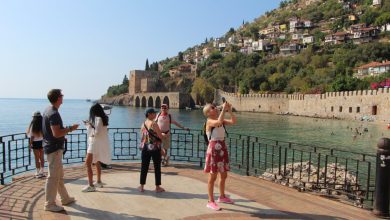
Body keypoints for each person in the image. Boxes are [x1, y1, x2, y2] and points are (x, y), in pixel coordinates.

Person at [42, 89, 79, 212]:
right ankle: (49, 204)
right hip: (54, 149)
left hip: (51, 147)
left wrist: (63, 132)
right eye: (62, 96)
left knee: (58, 175)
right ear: (58, 98)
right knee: (53, 177)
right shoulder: (53, 113)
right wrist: (70, 128)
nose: (63, 97)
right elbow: (56, 133)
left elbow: (52, 131)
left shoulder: (48, 110)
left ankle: (65, 198)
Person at [203, 102, 236, 211]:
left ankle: (222, 196)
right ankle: (210, 201)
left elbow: (233, 121)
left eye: (214, 106)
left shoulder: (221, 120)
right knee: (213, 176)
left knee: (223, 174)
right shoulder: (209, 121)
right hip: (213, 149)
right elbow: (217, 123)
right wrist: (222, 109)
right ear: (208, 113)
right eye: (212, 108)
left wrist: (228, 110)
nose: (215, 108)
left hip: (222, 147)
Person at [82, 103, 111, 192]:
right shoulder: (104, 119)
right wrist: (91, 125)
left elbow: (96, 132)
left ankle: (90, 185)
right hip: (98, 144)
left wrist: (88, 126)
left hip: (94, 144)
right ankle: (98, 181)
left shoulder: (98, 119)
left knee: (88, 163)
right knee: (97, 161)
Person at [139, 108, 165, 193]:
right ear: (149, 114)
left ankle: (142, 186)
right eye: (154, 113)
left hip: (145, 147)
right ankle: (157, 187)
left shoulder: (143, 124)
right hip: (154, 148)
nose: (155, 114)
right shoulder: (154, 124)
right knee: (157, 167)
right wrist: (164, 135)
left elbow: (142, 137)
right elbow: (160, 137)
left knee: (144, 167)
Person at [26, 111, 45, 178]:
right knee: (42, 158)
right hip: (42, 142)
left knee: (37, 158)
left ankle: (37, 172)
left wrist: (29, 144)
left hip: (35, 143)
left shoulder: (33, 125)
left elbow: (32, 136)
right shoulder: (43, 124)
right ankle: (42, 171)